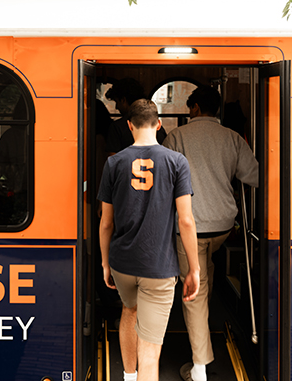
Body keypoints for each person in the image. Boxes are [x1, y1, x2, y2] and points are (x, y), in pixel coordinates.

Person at [98, 99, 200, 381]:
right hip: (159, 266)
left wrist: (105, 263)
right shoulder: (176, 161)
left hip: (122, 263)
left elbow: (106, 222)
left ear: (129, 126)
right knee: (150, 355)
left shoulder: (113, 162)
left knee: (129, 311)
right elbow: (186, 220)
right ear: (159, 124)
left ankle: (129, 377)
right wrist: (194, 268)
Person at [162, 86, 259, 381]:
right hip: (223, 224)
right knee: (205, 275)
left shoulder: (176, 137)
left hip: (191, 226)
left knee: (195, 292)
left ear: (193, 108)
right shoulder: (232, 138)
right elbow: (252, 176)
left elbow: (163, 181)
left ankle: (200, 368)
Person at [105, 78, 167, 154]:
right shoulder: (156, 126)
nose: (116, 107)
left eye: (116, 102)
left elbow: (113, 160)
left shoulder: (117, 127)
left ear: (123, 100)